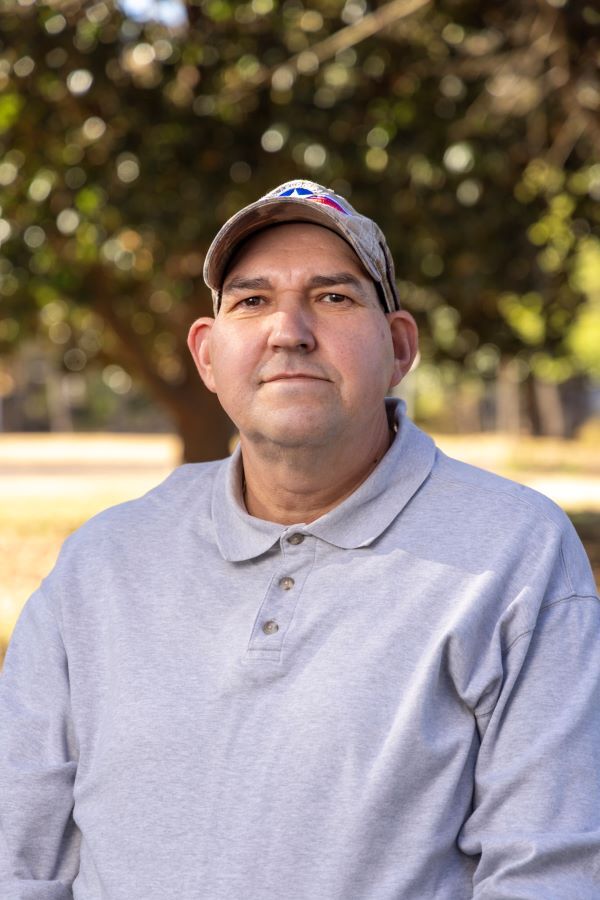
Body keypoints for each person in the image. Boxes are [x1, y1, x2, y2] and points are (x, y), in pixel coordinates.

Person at [1, 179, 599, 900]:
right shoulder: (102, 563)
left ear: (399, 347)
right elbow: (19, 853)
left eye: (333, 297)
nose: (289, 330)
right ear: (207, 354)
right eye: (251, 301)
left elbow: (550, 873)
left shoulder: (515, 553)